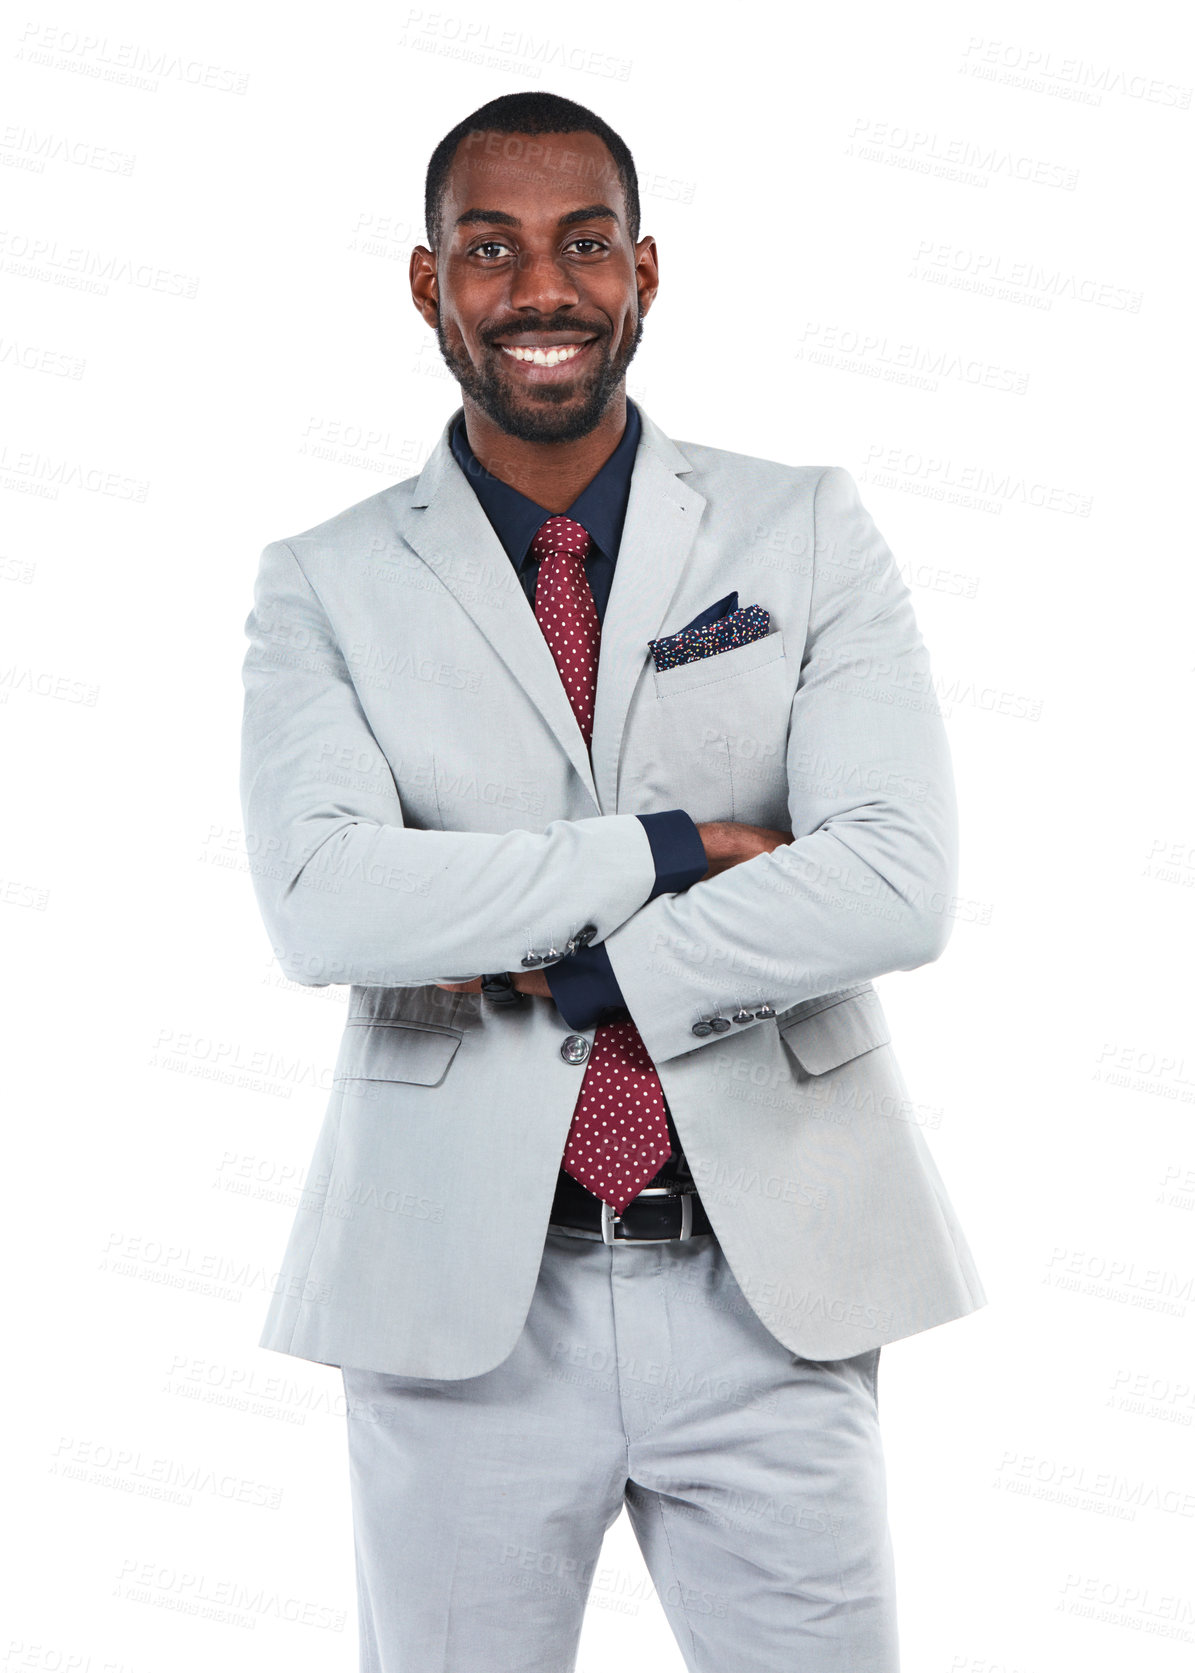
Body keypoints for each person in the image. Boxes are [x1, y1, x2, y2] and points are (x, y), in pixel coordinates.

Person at [239, 88, 986, 1673]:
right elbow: (324, 902)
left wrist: (573, 962)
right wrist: (658, 851)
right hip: (459, 1308)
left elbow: (897, 882)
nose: (541, 291)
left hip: (766, 1279)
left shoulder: (803, 529)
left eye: (584, 244)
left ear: (644, 272)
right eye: (489, 248)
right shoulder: (326, 583)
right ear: (430, 285)